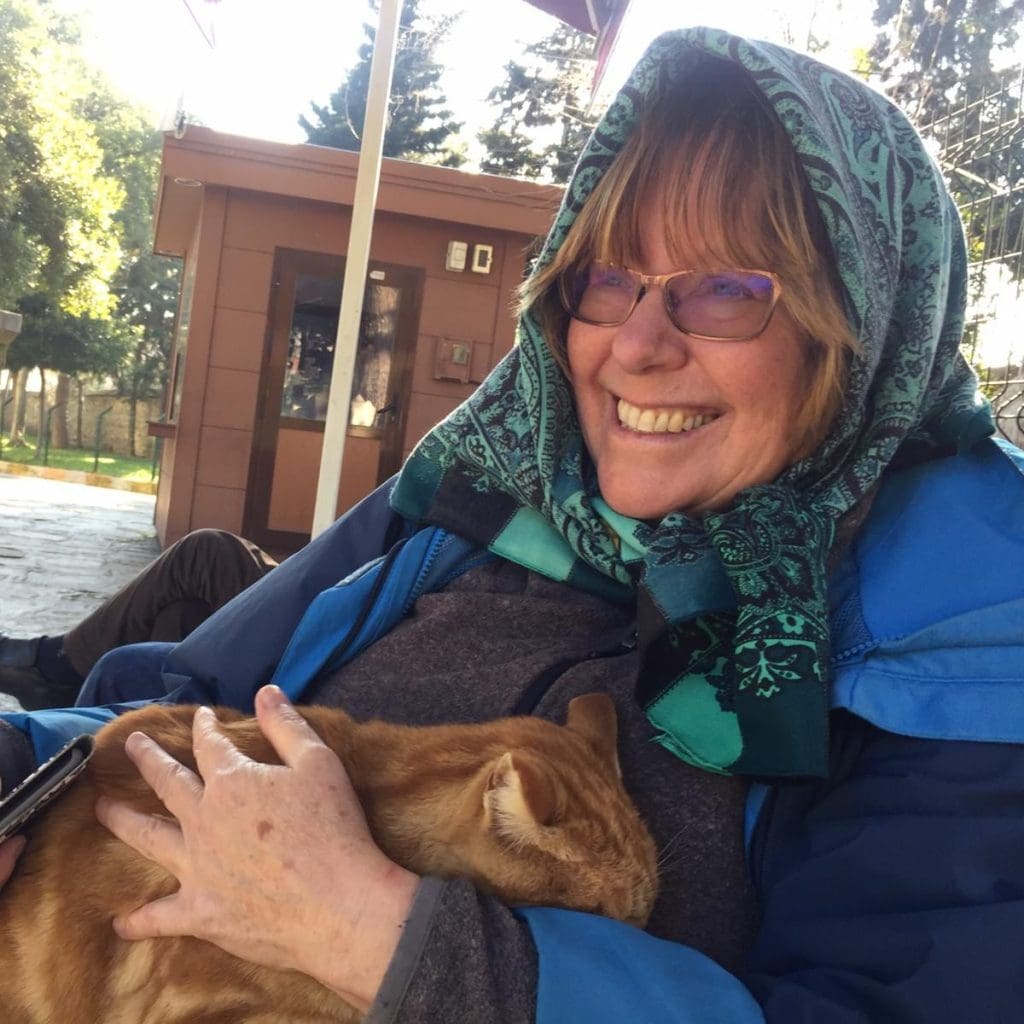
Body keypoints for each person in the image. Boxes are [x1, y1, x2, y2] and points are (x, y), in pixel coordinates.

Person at [3, 26, 1024, 1022]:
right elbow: (181, 703)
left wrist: (376, 934)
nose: (634, 344)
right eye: (606, 276)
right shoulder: (496, 485)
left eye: (724, 289)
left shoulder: (964, 639)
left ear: (867, 319)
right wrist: (20, 767)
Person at [0, 530, 278, 710]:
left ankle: (55, 667)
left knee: (208, 552)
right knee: (182, 614)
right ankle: (69, 699)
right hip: (305, 645)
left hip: (304, 672)